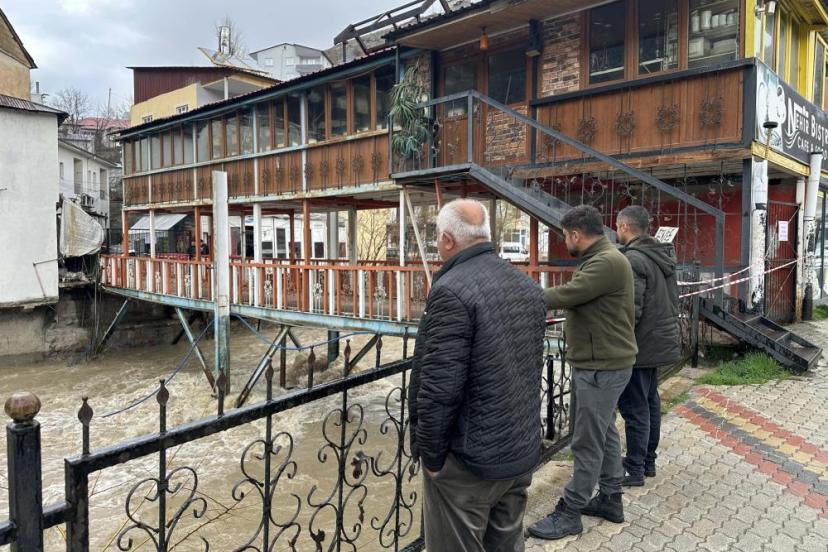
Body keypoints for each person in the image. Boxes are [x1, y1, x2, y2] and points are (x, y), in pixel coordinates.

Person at [408, 199, 546, 552]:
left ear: (448, 241)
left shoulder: (451, 290)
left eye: (437, 239)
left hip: (468, 465)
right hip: (517, 451)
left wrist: (433, 457)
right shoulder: (526, 286)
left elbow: (439, 387)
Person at [528, 205, 637, 540]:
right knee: (603, 433)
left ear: (575, 234)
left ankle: (570, 512)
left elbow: (567, 295)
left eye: (564, 236)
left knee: (586, 441)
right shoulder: (604, 258)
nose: (565, 243)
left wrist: (518, 295)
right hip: (602, 362)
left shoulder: (606, 261)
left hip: (602, 366)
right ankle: (610, 498)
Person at [615, 205, 680, 486]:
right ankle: (647, 461)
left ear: (626, 228)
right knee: (650, 401)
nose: (616, 231)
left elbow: (632, 308)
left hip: (641, 343)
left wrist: (619, 341)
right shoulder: (660, 254)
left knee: (635, 407)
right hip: (660, 338)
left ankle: (635, 468)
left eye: (617, 227)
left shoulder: (633, 259)